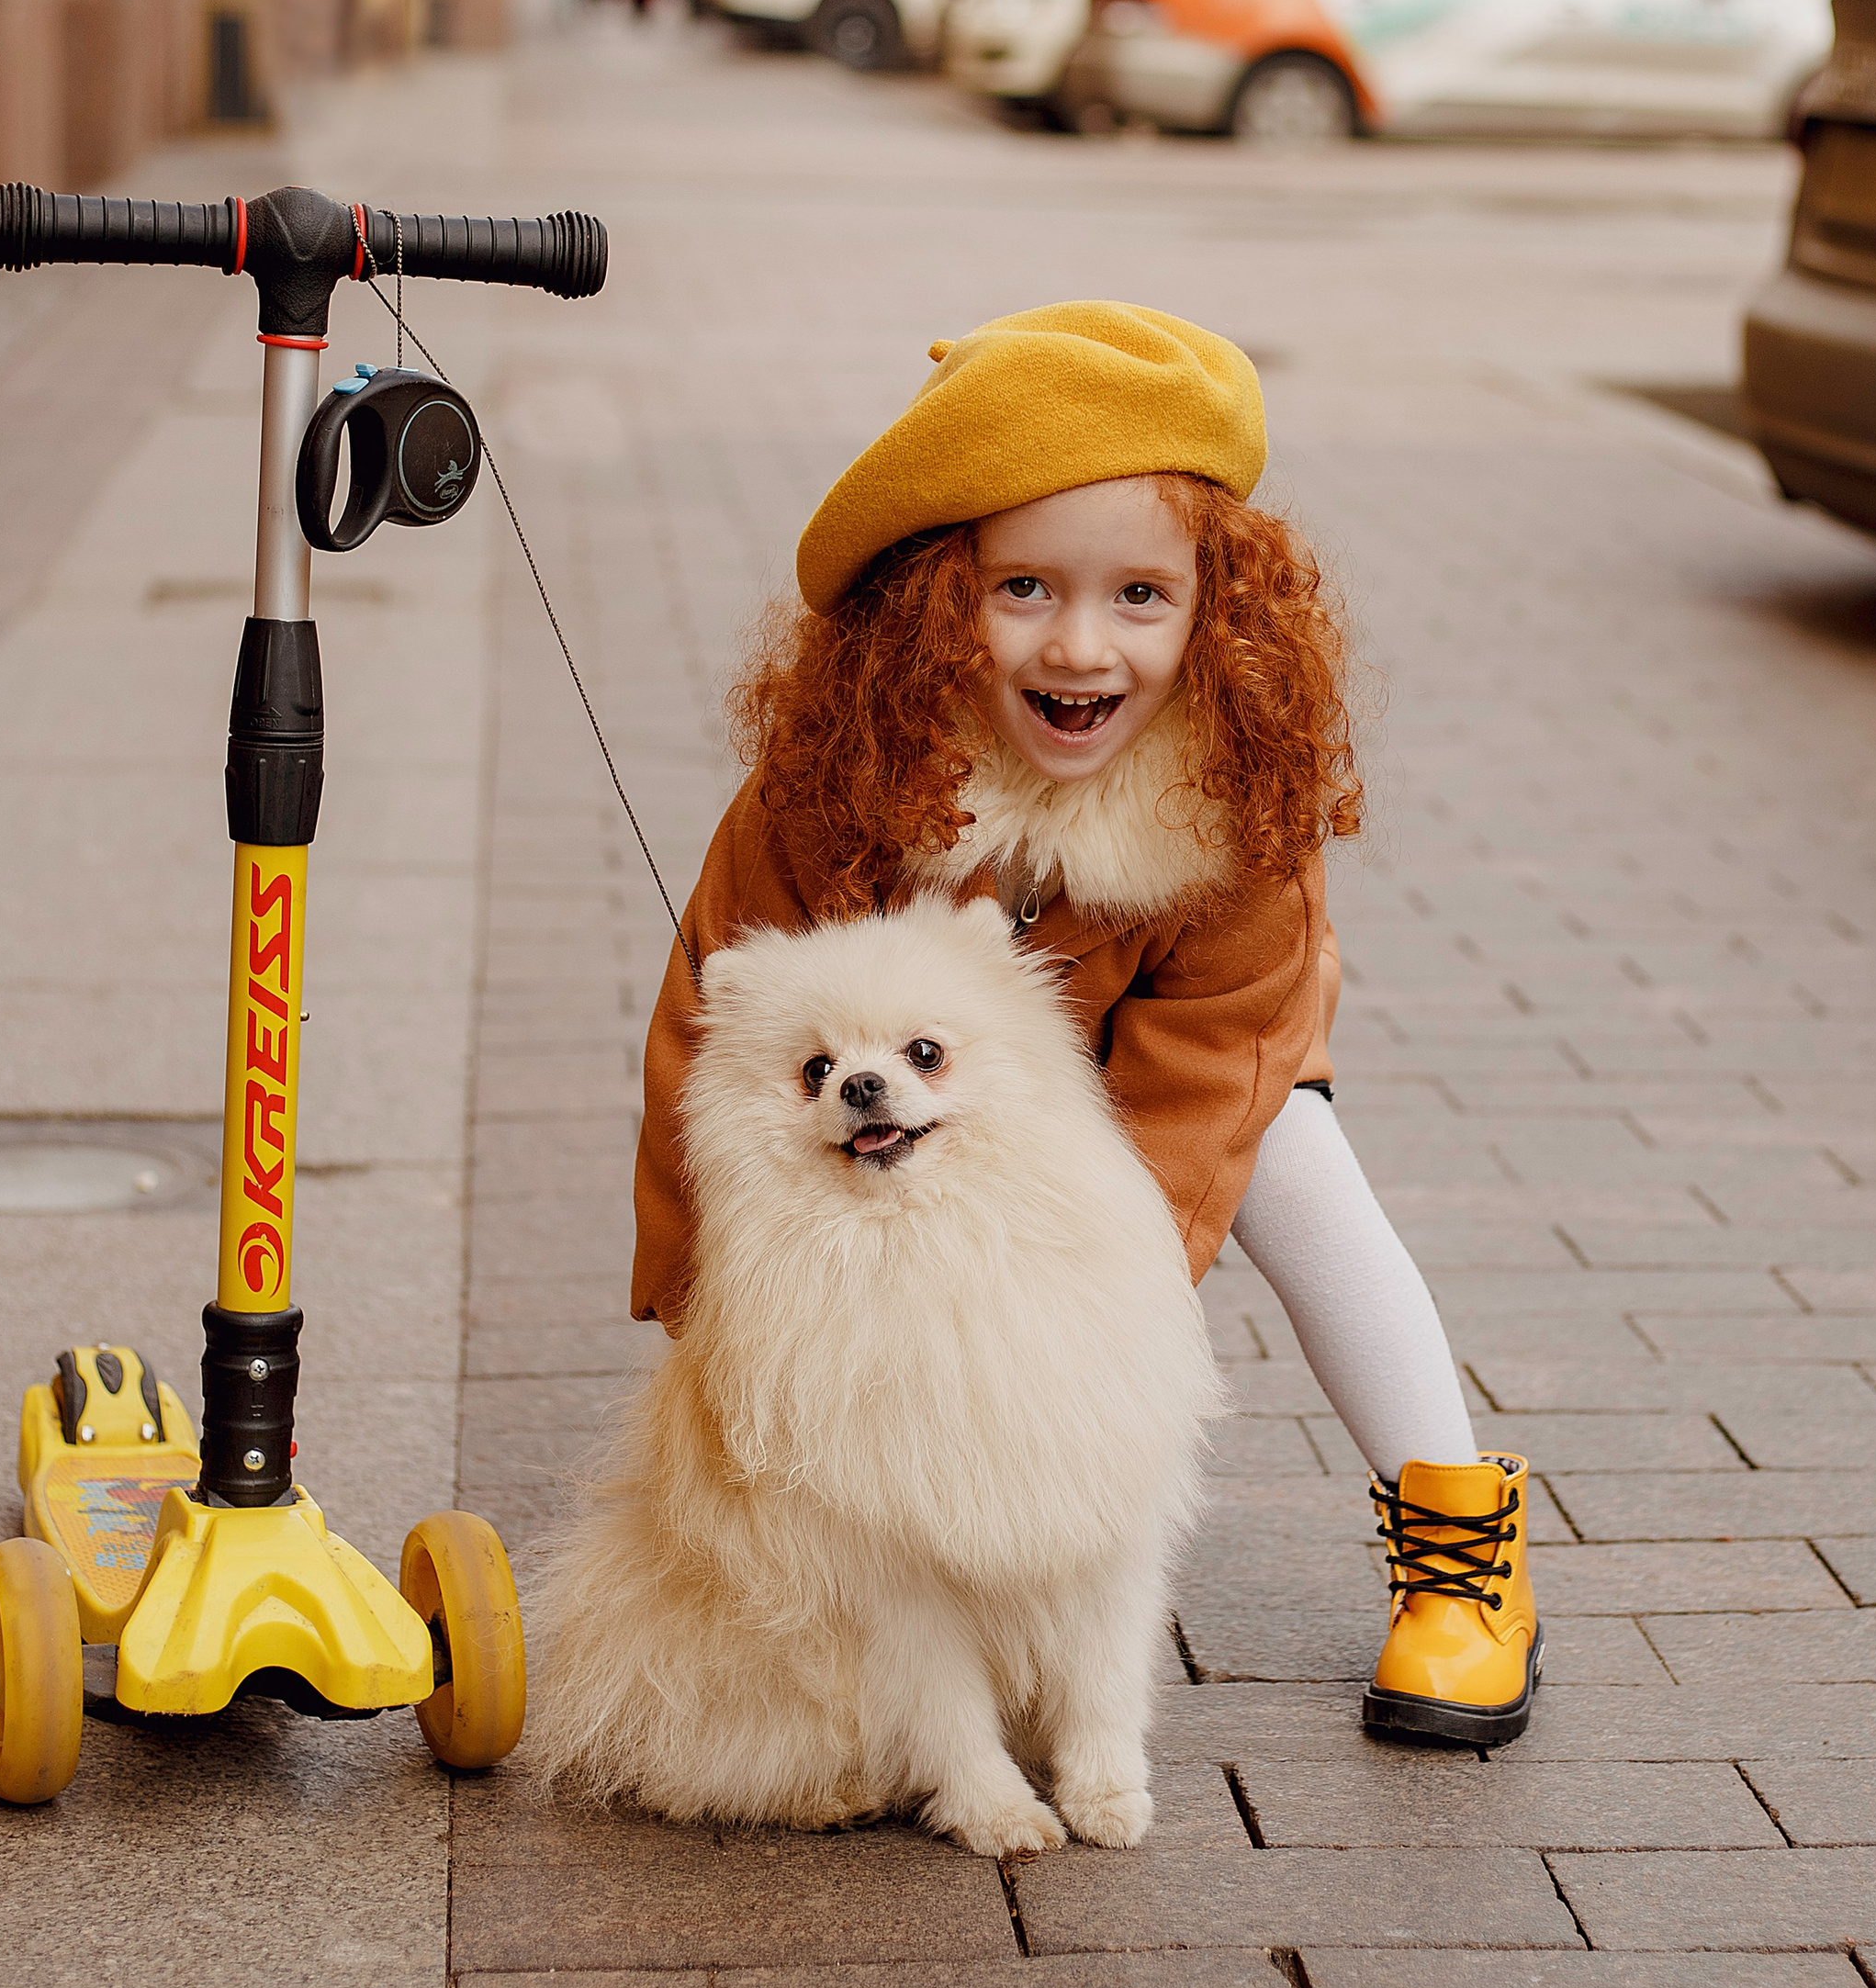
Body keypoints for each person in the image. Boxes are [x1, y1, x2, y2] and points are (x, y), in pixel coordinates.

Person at [630, 300, 1539, 1749]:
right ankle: (898, 1578)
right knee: (832, 1300)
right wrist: (719, 1307)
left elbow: (1217, 1066)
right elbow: (718, 1045)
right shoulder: (837, 779)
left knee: (1301, 1171)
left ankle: (1460, 1562)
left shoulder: (1231, 794)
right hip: (932, 1081)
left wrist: (1093, 1312)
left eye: (1141, 597)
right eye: (1023, 590)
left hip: (1175, 1079)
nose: (1080, 646)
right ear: (937, 603)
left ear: (1216, 612)